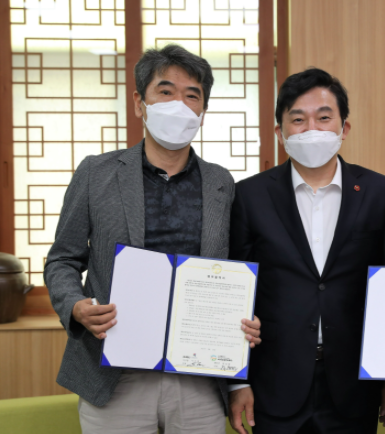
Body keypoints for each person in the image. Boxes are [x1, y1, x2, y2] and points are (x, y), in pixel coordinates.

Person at [44, 44, 261, 434]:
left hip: (199, 373)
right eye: (165, 91)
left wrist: (240, 348)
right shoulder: (96, 173)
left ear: (203, 111)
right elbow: (62, 259)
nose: (179, 104)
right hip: (114, 373)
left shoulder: (221, 183)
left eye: (192, 95)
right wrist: (75, 306)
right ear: (139, 103)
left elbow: (233, 271)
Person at [226, 68, 385, 434]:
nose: (312, 129)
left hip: (354, 383)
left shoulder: (381, 193)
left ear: (344, 128)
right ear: (280, 133)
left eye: (324, 118)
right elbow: (236, 290)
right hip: (275, 382)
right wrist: (237, 381)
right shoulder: (250, 195)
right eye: (298, 119)